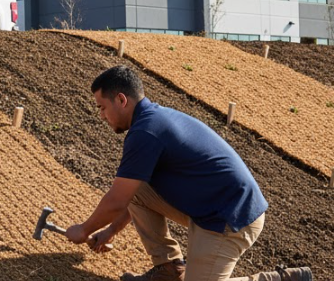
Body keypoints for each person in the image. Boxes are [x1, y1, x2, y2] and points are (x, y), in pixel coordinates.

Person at [65, 65, 312, 281]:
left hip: (229, 218)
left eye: (102, 107)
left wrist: (84, 230)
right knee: (135, 187)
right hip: (211, 206)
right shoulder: (152, 120)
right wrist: (109, 232)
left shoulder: (145, 132)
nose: (101, 116)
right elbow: (129, 195)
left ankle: (278, 279)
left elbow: (116, 201)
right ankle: (169, 269)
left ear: (121, 100)